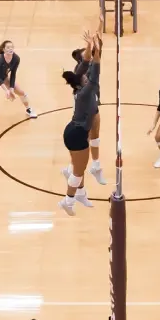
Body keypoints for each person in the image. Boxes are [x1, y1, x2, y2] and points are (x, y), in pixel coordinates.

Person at [58, 31, 100, 216]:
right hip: (76, 135)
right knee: (78, 171)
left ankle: (81, 194)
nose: (86, 75)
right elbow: (95, 66)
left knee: (80, 166)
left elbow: (86, 63)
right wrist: (96, 49)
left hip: (73, 131)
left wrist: (92, 45)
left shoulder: (79, 85)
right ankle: (68, 201)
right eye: (85, 76)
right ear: (83, 82)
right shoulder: (85, 93)